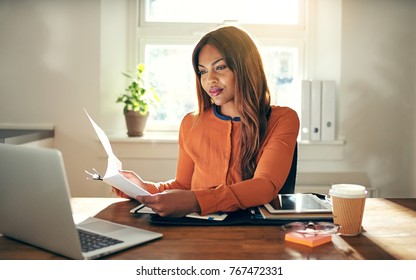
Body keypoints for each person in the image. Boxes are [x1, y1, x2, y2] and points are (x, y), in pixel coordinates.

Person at [113, 25, 300, 218]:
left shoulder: (283, 119)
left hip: (253, 233)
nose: (210, 79)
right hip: (198, 232)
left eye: (220, 67)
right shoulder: (190, 123)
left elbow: (264, 186)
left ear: (246, 67)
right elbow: (184, 186)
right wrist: (144, 188)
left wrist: (195, 200)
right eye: (203, 72)